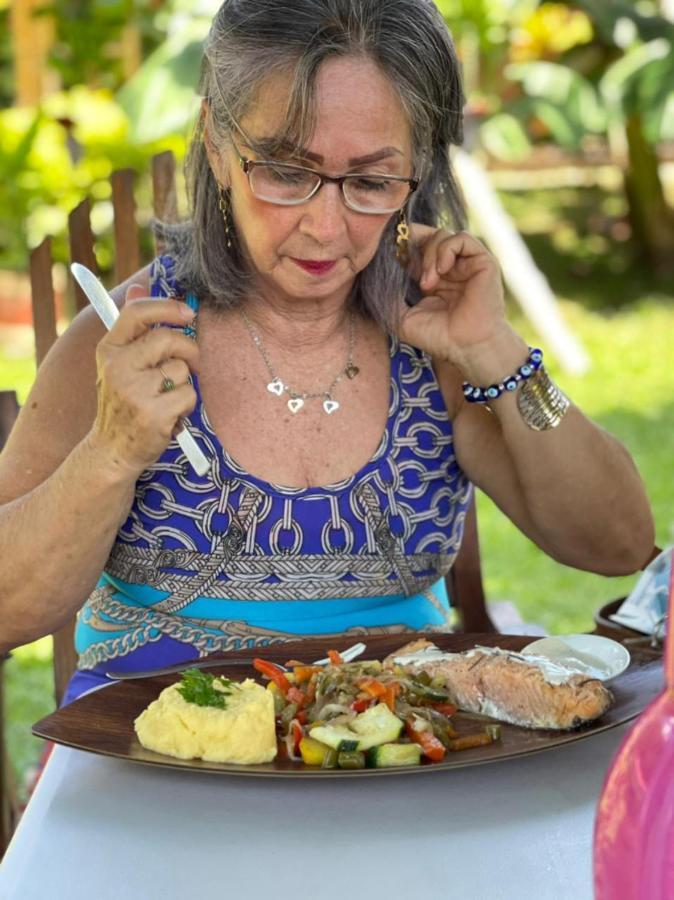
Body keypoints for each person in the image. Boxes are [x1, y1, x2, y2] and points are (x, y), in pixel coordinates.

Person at [0, 0, 655, 704]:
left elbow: (615, 546)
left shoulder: (434, 341)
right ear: (216, 144)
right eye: (285, 170)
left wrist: (495, 352)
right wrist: (112, 449)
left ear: (418, 168)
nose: (325, 225)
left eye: (372, 182)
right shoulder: (131, 342)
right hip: (157, 756)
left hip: (390, 743)